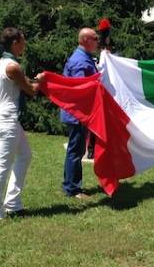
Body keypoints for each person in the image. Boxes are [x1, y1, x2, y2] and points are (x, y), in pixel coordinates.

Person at [0, 27, 43, 220]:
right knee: (3, 165)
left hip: (9, 118)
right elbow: (31, 90)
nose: (24, 45)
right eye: (22, 42)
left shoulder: (4, 62)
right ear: (15, 43)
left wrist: (35, 81)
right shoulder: (12, 66)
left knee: (25, 156)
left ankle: (13, 203)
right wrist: (42, 82)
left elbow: (24, 82)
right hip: (8, 119)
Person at [60, 28, 99, 199]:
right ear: (85, 40)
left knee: (75, 149)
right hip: (77, 114)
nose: (97, 41)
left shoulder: (83, 58)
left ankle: (69, 184)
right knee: (76, 151)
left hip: (78, 113)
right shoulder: (80, 61)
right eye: (94, 38)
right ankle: (73, 189)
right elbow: (80, 88)